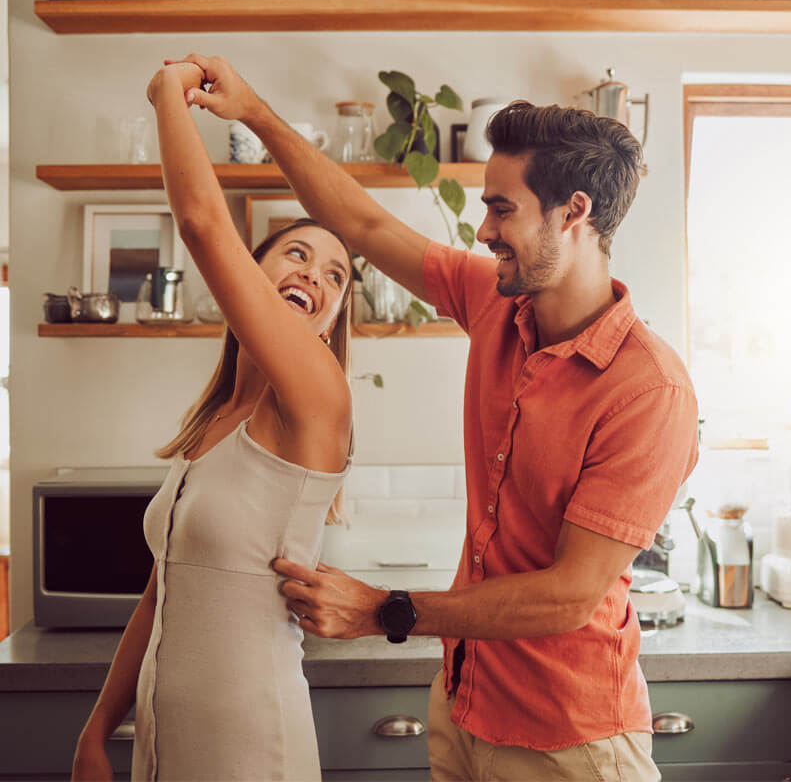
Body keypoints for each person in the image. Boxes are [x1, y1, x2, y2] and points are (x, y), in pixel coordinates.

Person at [172, 54, 698, 781]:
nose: (483, 230)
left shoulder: (649, 390)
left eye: (502, 210)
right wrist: (256, 113)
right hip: (463, 707)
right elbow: (359, 221)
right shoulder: (497, 302)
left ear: (573, 213)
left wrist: (384, 610)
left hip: (571, 740)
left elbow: (570, 595)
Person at [71, 62, 354, 782]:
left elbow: (200, 222)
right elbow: (162, 592)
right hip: (163, 741)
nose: (315, 276)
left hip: (251, 746)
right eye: (297, 254)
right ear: (250, 277)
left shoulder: (316, 397)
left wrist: (168, 90)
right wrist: (98, 730)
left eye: (336, 276)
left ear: (330, 322)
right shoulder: (214, 425)